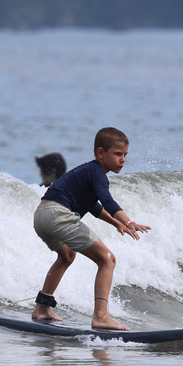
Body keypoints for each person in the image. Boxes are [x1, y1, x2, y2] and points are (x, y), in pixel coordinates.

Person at [31, 127, 150, 331]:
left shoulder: (88, 172)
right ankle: (101, 317)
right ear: (100, 153)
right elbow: (107, 200)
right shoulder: (98, 174)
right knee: (107, 259)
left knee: (66, 256)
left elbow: (94, 206)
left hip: (42, 215)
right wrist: (129, 222)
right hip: (58, 214)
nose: (122, 160)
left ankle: (42, 308)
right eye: (117, 154)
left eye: (125, 155)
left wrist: (116, 223)